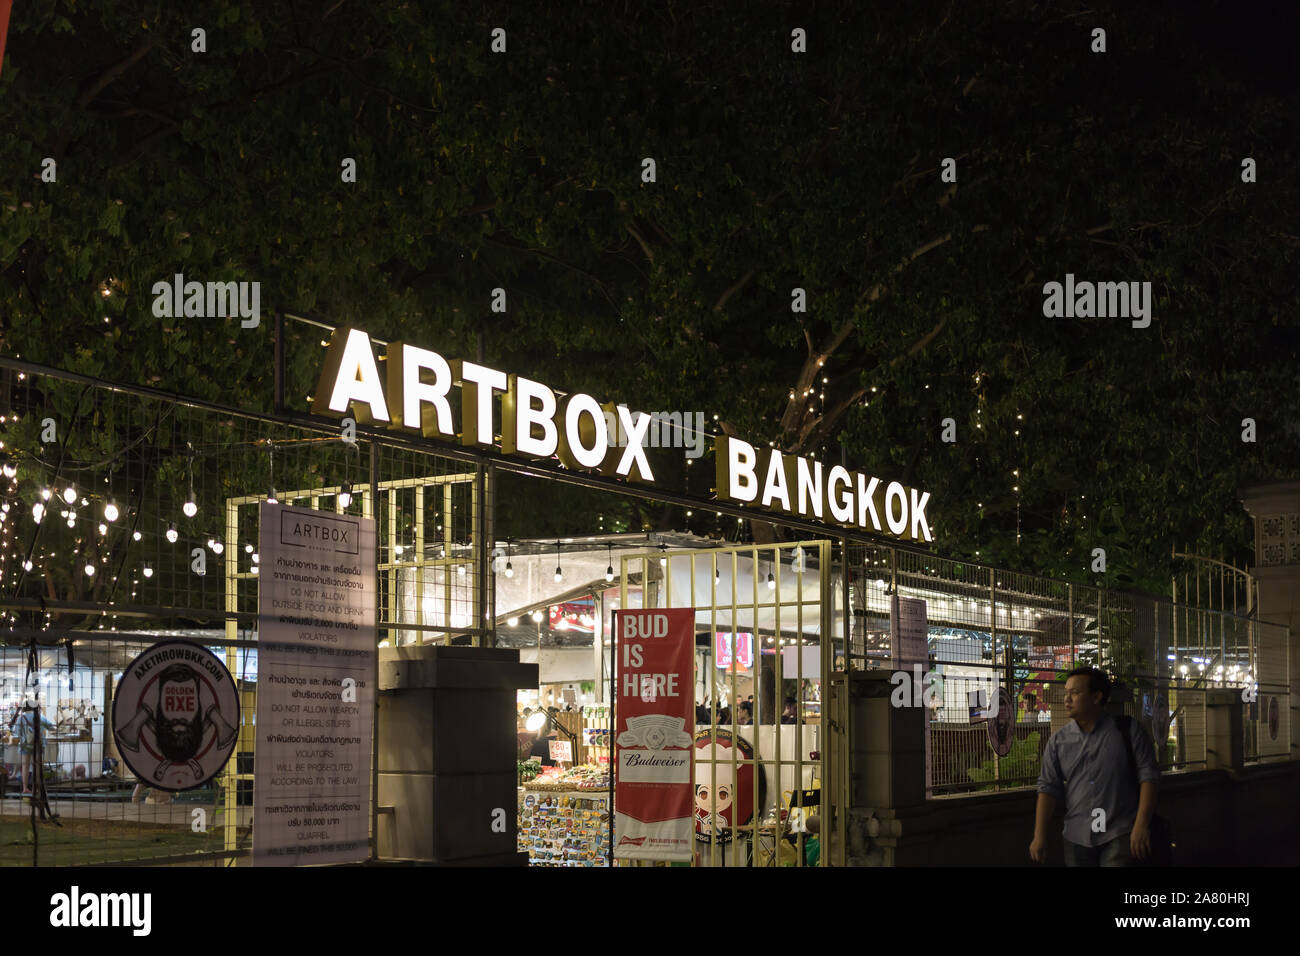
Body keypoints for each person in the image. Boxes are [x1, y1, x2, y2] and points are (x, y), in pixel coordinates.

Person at [1030, 667, 1159, 867]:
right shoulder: (1058, 741)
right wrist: (1039, 836)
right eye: (1066, 692)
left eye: (1075, 693)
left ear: (1097, 697)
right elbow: (1048, 788)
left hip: (1120, 832)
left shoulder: (1127, 731)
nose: (1067, 699)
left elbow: (1148, 777)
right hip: (1076, 836)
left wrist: (1141, 825)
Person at [9, 705, 55, 796]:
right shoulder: (40, 717)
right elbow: (52, 728)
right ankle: (36, 788)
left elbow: (17, 733)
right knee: (37, 767)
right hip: (38, 744)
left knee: (25, 766)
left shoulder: (21, 718)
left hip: (25, 744)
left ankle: (25, 788)